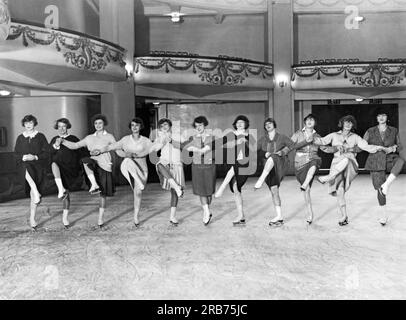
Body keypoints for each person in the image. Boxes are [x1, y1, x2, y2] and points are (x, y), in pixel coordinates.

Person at [313, 115, 383, 226]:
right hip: (336, 164)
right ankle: (344, 216)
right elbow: (321, 141)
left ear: (353, 125)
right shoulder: (334, 135)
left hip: (350, 164)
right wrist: (310, 134)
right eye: (346, 122)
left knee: (346, 157)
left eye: (350, 123)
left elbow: (366, 146)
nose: (348, 124)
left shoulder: (355, 137)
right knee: (340, 191)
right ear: (342, 123)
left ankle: (328, 177)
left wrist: (379, 147)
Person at [61, 114, 116, 228]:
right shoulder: (89, 137)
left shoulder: (110, 136)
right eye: (96, 123)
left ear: (104, 124)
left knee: (103, 195)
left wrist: (128, 155)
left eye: (100, 123)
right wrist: (63, 141)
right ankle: (94, 184)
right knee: (85, 160)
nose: (98, 125)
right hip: (93, 165)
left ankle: (100, 220)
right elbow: (75, 145)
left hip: (105, 166)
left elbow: (116, 148)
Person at [98, 117, 152, 227]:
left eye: (137, 125)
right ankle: (136, 218)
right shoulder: (125, 139)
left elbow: (151, 150)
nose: (134, 127)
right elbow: (111, 146)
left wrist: (137, 155)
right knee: (127, 160)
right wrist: (99, 151)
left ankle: (136, 216)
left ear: (140, 127)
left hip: (142, 170)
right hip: (129, 168)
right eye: (132, 125)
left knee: (138, 193)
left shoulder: (146, 140)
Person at [290, 114, 338, 224]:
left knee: (314, 162)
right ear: (304, 122)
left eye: (312, 120)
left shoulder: (317, 136)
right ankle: (310, 212)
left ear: (315, 123)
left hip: (313, 158)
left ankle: (306, 183)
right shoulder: (298, 134)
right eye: (307, 120)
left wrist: (337, 148)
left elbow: (325, 148)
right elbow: (291, 146)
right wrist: (306, 141)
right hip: (300, 162)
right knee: (307, 191)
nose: (309, 121)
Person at [362, 109, 405, 226]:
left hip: (389, 158)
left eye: (383, 115)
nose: (381, 117)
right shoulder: (370, 131)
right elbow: (362, 145)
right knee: (379, 190)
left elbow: (400, 146)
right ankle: (383, 215)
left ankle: (386, 185)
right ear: (376, 118)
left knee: (401, 161)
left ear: (387, 117)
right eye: (379, 115)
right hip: (375, 160)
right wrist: (375, 147)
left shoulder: (394, 130)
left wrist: (393, 148)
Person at [254, 118, 298, 226]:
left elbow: (292, 145)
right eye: (266, 124)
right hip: (267, 168)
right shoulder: (262, 139)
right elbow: (255, 150)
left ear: (274, 125)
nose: (268, 125)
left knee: (273, 156)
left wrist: (283, 151)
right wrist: (264, 154)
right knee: (274, 191)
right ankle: (279, 216)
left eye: (270, 123)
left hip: (279, 164)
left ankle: (261, 178)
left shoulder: (282, 137)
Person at [214, 115, 256, 225]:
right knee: (236, 190)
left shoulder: (249, 136)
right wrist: (205, 147)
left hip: (244, 165)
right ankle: (241, 215)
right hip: (232, 164)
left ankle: (221, 188)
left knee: (236, 165)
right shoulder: (231, 135)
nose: (239, 124)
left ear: (246, 124)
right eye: (237, 122)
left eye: (242, 122)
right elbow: (218, 142)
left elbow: (253, 150)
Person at [14, 115, 49, 230]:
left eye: (31, 123)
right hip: (24, 167)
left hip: (37, 167)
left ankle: (32, 218)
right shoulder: (20, 138)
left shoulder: (40, 136)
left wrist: (34, 157)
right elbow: (16, 154)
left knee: (33, 196)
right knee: (24, 166)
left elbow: (46, 153)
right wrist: (25, 157)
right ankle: (35, 189)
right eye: (26, 123)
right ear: (23, 124)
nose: (28, 125)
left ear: (34, 124)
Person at [50, 118, 87, 228]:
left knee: (66, 193)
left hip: (71, 168)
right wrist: (56, 145)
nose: (61, 129)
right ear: (57, 127)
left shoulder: (73, 138)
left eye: (64, 126)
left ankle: (65, 216)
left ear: (67, 127)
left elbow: (81, 151)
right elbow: (49, 153)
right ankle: (65, 218)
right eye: (59, 126)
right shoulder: (54, 139)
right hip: (58, 167)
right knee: (53, 163)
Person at [150, 118, 184, 226]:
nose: (164, 127)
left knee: (174, 193)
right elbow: (153, 149)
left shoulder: (177, 134)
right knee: (158, 164)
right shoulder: (159, 137)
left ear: (170, 126)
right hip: (165, 163)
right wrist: (161, 141)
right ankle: (177, 186)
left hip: (177, 164)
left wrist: (171, 140)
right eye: (161, 126)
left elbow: (184, 146)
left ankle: (172, 217)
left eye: (166, 125)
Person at [184, 116, 216, 225]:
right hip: (197, 166)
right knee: (201, 191)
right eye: (196, 125)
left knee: (209, 192)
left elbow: (204, 150)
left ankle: (207, 209)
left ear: (205, 125)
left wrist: (195, 149)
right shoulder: (192, 138)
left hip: (209, 166)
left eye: (200, 125)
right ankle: (206, 212)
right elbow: (186, 148)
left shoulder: (211, 137)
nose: (198, 127)